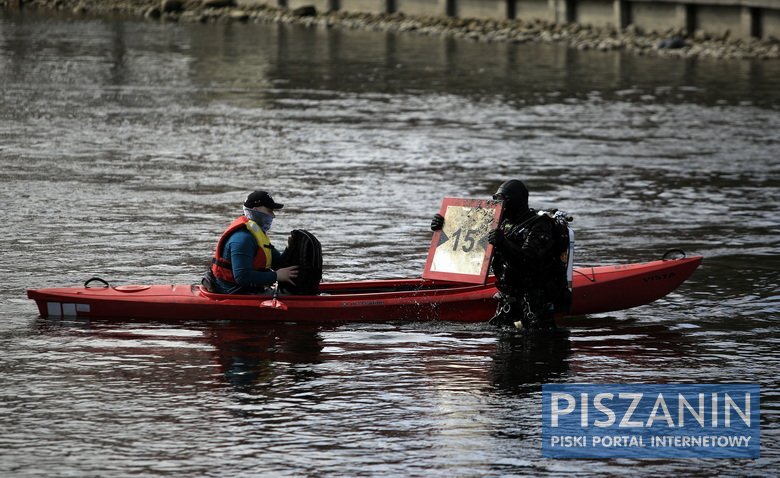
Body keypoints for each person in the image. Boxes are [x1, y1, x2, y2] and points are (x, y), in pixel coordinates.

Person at [431, 180, 565, 332]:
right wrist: (444, 225)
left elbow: (529, 261)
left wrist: (503, 243)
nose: (499, 204)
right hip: (508, 298)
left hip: (535, 301)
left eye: (503, 200)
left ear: (517, 201)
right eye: (496, 199)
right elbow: (465, 242)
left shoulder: (539, 226)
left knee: (535, 345)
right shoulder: (500, 222)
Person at [208, 190, 298, 294]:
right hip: (234, 293)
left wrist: (291, 248)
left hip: (250, 290)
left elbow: (279, 263)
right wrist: (276, 276)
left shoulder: (257, 236)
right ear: (256, 210)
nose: (273, 215)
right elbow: (242, 276)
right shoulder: (242, 239)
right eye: (269, 210)